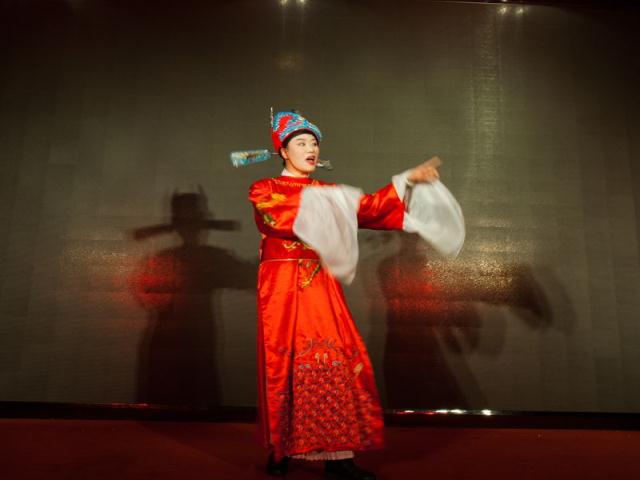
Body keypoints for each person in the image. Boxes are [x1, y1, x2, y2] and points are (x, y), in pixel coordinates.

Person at [248, 111, 464, 480]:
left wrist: (406, 180)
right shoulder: (264, 189)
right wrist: (331, 203)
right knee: (282, 364)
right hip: (281, 286)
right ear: (283, 151)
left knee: (330, 358)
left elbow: (371, 209)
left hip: (318, 283)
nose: (311, 149)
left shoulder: (329, 192)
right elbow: (279, 219)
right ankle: (281, 448)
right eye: (301, 143)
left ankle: (339, 457)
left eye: (314, 143)